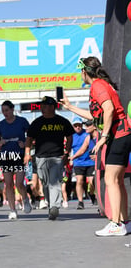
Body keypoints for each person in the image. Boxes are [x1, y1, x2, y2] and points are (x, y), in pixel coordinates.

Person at [60, 56, 131, 236]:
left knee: (111, 180)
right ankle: (124, 221)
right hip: (120, 135)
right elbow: (94, 115)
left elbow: (109, 109)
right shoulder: (100, 85)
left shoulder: (98, 86)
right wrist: (69, 107)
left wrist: (103, 136)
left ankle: (116, 223)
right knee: (117, 180)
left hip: (118, 135)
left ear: (84, 72)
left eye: (80, 72)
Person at [24, 96, 75, 220]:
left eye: (45, 106)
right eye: (42, 106)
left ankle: (55, 207)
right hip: (40, 158)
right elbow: (29, 139)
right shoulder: (37, 122)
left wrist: (67, 153)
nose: (43, 108)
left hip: (57, 157)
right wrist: (27, 153)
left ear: (53, 107)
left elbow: (69, 137)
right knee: (45, 183)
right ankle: (50, 203)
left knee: (54, 182)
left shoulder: (62, 121)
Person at [0, 100, 32, 220]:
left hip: (19, 155)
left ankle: (25, 199)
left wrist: (25, 145)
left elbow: (32, 137)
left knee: (19, 183)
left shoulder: (22, 121)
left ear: (12, 109)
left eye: (6, 110)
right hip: (6, 157)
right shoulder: (1, 125)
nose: (5, 113)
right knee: (9, 184)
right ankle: (12, 210)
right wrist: (0, 143)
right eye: (3, 111)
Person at [69, 117, 95, 210]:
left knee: (92, 182)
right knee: (79, 181)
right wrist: (68, 158)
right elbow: (67, 149)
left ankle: (91, 194)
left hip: (90, 161)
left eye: (79, 125)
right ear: (73, 126)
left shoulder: (87, 133)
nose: (78, 127)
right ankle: (80, 202)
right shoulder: (71, 136)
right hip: (78, 162)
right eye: (75, 126)